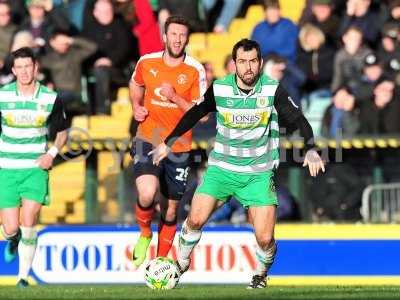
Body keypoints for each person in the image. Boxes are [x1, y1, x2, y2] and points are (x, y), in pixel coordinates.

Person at [150, 39, 325, 288]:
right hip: (221, 169)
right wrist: (168, 142)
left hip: (258, 173)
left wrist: (310, 150)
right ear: (234, 65)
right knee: (195, 219)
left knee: (265, 239)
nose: (248, 67)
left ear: (260, 63)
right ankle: (181, 264)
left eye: (253, 61)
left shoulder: (272, 89)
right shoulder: (220, 88)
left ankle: (261, 273)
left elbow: (298, 119)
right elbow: (195, 113)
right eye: (242, 62)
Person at [129, 15, 206, 267]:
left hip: (178, 144)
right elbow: (135, 83)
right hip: (149, 136)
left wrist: (175, 97)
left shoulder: (195, 70)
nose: (177, 39)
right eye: (173, 34)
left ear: (187, 39)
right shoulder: (146, 62)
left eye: (182, 35)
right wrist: (135, 105)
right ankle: (144, 233)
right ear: (165, 36)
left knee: (170, 210)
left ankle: (161, 263)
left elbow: (201, 115)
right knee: (147, 192)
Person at [0, 47, 68, 287]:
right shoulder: (2, 96)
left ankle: (22, 278)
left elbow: (62, 133)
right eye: (19, 67)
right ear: (13, 70)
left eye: (28, 66)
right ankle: (13, 238)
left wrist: (51, 153)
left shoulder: (50, 98)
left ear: (35, 68)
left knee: (29, 219)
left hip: (34, 169)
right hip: (6, 169)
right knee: (9, 227)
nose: (24, 71)